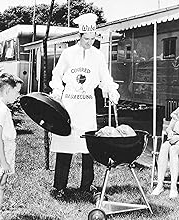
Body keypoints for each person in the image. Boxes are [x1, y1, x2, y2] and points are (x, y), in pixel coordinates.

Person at [49, 13, 120, 199]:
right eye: (86, 39)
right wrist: (57, 90)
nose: (90, 42)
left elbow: (105, 78)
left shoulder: (98, 55)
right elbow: (56, 75)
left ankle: (86, 185)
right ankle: (59, 187)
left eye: (93, 38)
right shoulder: (68, 53)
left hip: (87, 105)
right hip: (69, 105)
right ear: (79, 36)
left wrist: (111, 90)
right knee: (66, 144)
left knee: (89, 147)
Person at [0, 73, 23, 220]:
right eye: (17, 91)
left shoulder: (3, 108)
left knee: (2, 184)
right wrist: (3, 161)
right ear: (8, 90)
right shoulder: (0, 110)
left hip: (7, 149)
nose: (18, 95)